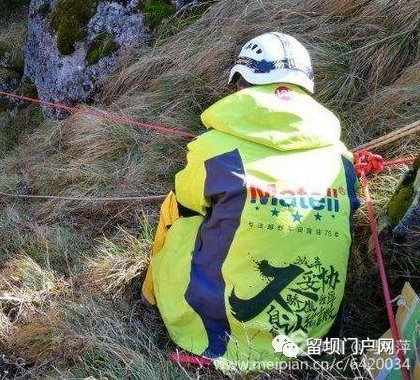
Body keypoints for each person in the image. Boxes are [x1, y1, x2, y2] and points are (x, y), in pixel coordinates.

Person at [142, 32, 359, 367]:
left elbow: (183, 210)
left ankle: (158, 297)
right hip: (311, 335)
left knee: (180, 211)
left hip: (219, 338)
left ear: (241, 84)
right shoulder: (341, 158)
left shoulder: (213, 150)